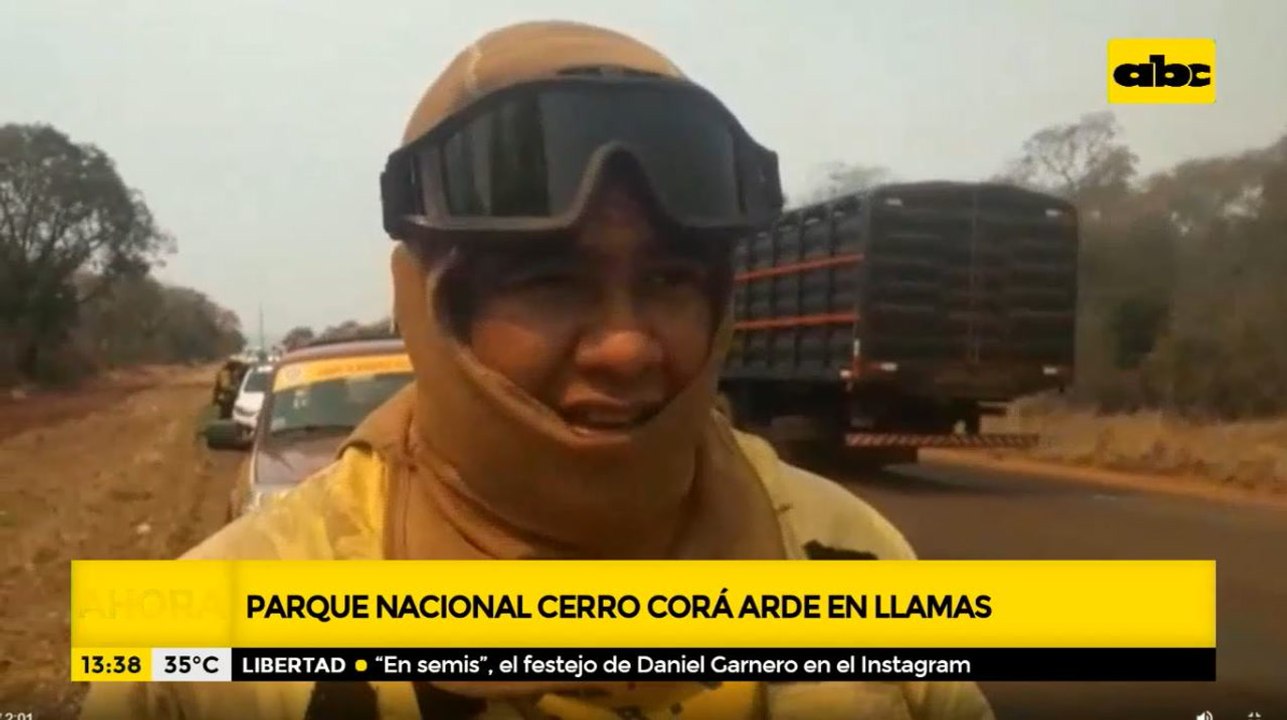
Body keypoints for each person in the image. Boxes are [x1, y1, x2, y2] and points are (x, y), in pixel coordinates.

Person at [80, 20, 994, 720]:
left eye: (670, 280)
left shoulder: (850, 562)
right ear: (434, 307)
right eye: (552, 282)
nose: (627, 345)